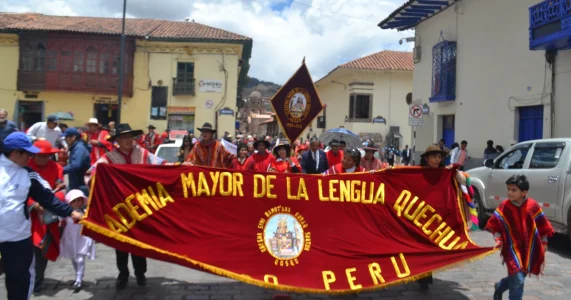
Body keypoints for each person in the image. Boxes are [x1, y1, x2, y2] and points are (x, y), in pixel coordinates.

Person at [87, 124, 172, 289]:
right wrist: (95, 179)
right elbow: (91, 173)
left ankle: (140, 273)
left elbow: (161, 165)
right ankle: (123, 274)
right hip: (120, 208)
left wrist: (179, 167)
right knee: (121, 245)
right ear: (117, 140)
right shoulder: (108, 158)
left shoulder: (143, 154)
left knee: (140, 243)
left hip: (140, 207)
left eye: (130, 137)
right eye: (123, 137)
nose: (127, 140)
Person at [0, 132, 83, 300]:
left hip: (18, 238)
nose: (31, 157)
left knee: (19, 280)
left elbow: (47, 198)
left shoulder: (27, 174)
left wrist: (71, 212)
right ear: (16, 153)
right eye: (28, 153)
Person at [486, 175, 554, 300]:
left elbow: (542, 225)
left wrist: (544, 243)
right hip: (511, 248)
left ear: (524, 192)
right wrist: (498, 239)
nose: (509, 192)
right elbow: (494, 225)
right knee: (518, 279)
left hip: (528, 248)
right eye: (508, 189)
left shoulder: (533, 206)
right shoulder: (504, 206)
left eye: (513, 190)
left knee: (518, 277)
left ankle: (500, 286)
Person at [25, 140, 66, 293]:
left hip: (47, 216)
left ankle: (37, 282)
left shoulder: (56, 167)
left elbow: (60, 187)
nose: (43, 159)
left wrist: (57, 196)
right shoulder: (25, 168)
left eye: (46, 156)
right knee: (27, 250)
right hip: (27, 216)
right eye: (40, 156)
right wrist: (34, 204)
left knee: (42, 250)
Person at [60, 189, 96, 292]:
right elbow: (62, 224)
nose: (76, 203)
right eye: (74, 201)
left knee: (80, 259)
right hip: (70, 239)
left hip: (82, 239)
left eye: (79, 201)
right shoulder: (66, 214)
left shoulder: (85, 213)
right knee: (74, 258)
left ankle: (79, 279)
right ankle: (77, 276)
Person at [61, 128, 91, 195]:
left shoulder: (79, 148)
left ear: (73, 137)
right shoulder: (75, 147)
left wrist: (60, 170)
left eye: (66, 137)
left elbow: (75, 165)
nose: (65, 139)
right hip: (76, 184)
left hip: (80, 186)